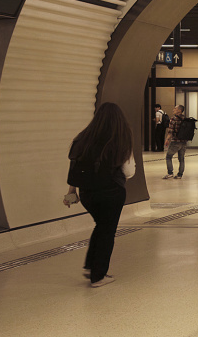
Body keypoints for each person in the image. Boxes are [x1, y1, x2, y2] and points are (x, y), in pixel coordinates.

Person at [63, 102, 136, 288]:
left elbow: (74, 169)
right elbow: (128, 171)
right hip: (112, 191)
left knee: (101, 225)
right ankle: (98, 276)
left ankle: (90, 265)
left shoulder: (83, 138)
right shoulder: (121, 138)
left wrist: (71, 192)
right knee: (107, 231)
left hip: (87, 193)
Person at [162, 103, 187, 179]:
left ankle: (170, 173)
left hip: (175, 141)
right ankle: (180, 174)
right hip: (183, 142)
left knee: (168, 157)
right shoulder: (185, 119)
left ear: (179, 110)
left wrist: (167, 139)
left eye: (175, 108)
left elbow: (170, 131)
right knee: (181, 159)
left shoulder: (173, 119)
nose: (173, 109)